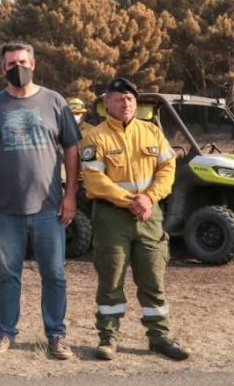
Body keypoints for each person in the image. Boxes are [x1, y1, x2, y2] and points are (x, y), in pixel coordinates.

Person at [0, 42, 80, 360]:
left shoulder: (55, 102)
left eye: (21, 61)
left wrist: (71, 194)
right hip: (7, 211)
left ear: (33, 63)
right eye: (10, 63)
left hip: (49, 208)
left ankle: (56, 335)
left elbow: (71, 150)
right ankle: (6, 333)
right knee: (8, 276)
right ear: (1, 69)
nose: (16, 67)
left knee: (55, 275)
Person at [80, 77, 190, 361]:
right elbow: (94, 180)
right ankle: (108, 337)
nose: (126, 102)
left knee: (153, 279)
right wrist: (132, 201)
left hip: (149, 215)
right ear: (106, 104)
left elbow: (168, 167)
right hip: (111, 218)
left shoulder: (151, 132)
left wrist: (149, 197)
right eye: (119, 98)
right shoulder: (96, 136)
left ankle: (160, 338)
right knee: (111, 278)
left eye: (130, 98)